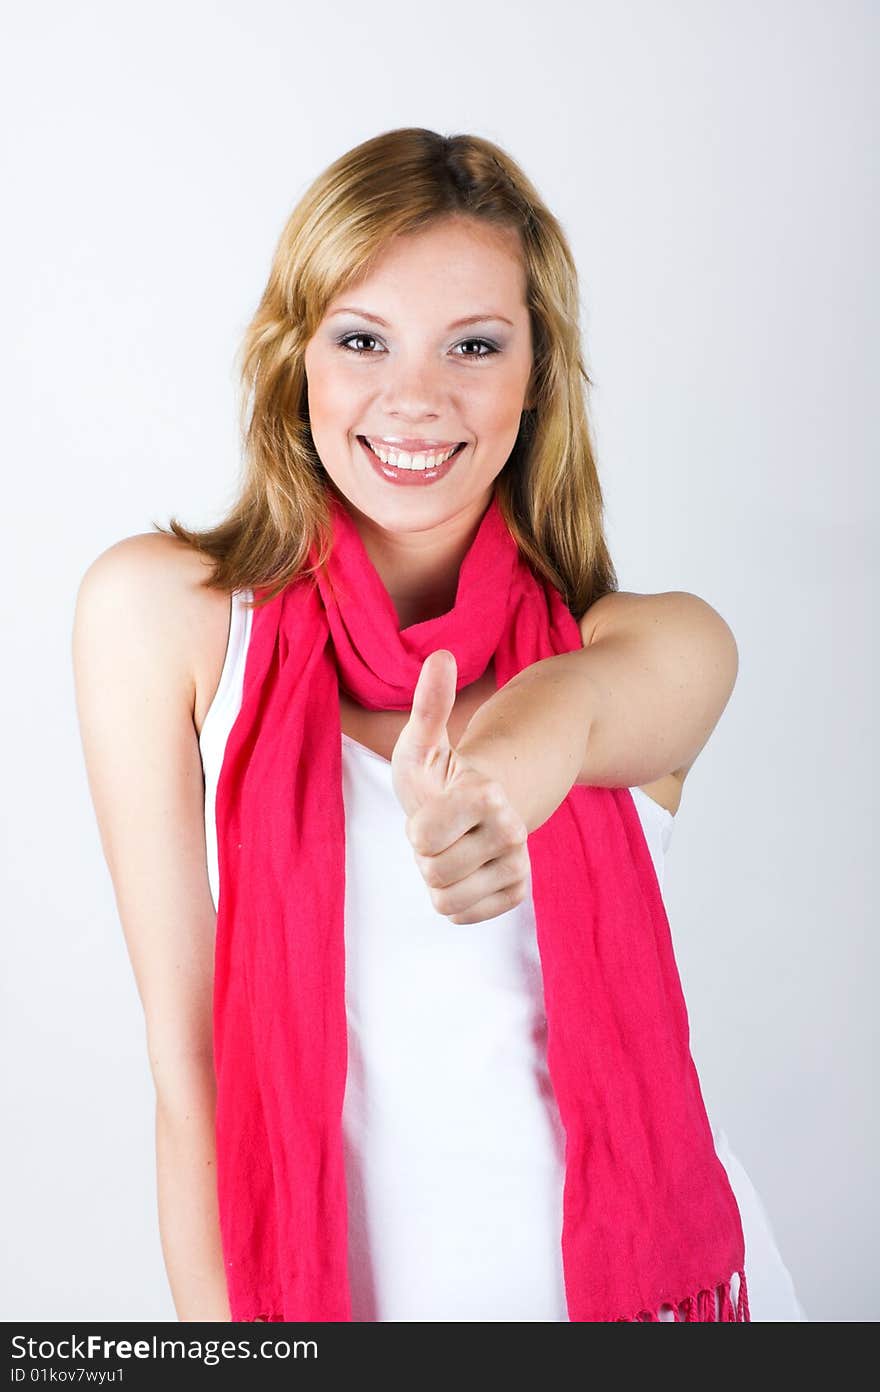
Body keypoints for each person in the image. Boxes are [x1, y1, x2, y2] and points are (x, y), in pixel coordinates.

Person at [72, 127, 806, 1323]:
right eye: (362, 340)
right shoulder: (167, 619)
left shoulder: (648, 644)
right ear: (293, 360)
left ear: (538, 375)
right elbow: (189, 1070)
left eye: (474, 345)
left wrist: (497, 783)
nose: (414, 397)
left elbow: (578, 712)